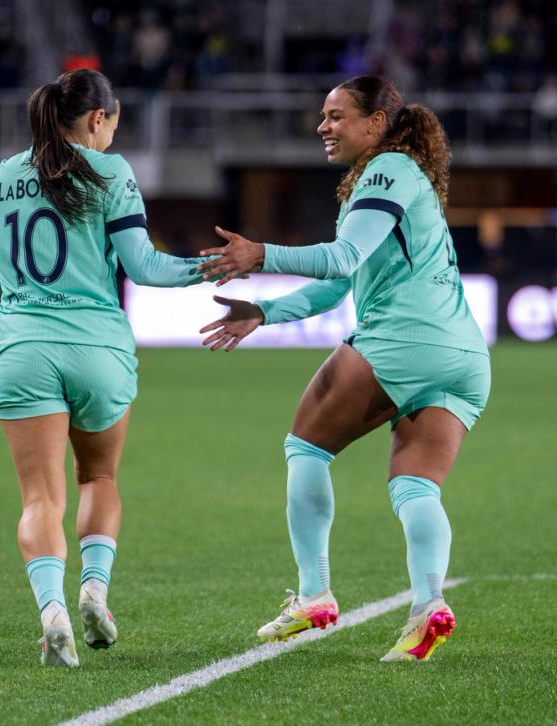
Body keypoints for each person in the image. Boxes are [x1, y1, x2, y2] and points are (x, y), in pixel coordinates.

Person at [197, 76, 490, 662]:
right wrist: (266, 311)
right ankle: (429, 605)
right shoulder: (400, 180)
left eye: (335, 116)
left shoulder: (388, 171)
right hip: (463, 356)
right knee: (415, 485)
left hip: (403, 341)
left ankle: (313, 594)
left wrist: (262, 255)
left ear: (376, 123)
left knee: (306, 447)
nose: (322, 127)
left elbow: (342, 257)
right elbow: (337, 286)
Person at [0, 68, 210, 667]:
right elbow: (146, 268)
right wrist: (215, 268)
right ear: (98, 118)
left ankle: (52, 610)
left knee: (39, 500)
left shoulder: (3, 175)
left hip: (24, 349)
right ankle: (94, 591)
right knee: (98, 479)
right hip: (97, 349)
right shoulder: (110, 171)